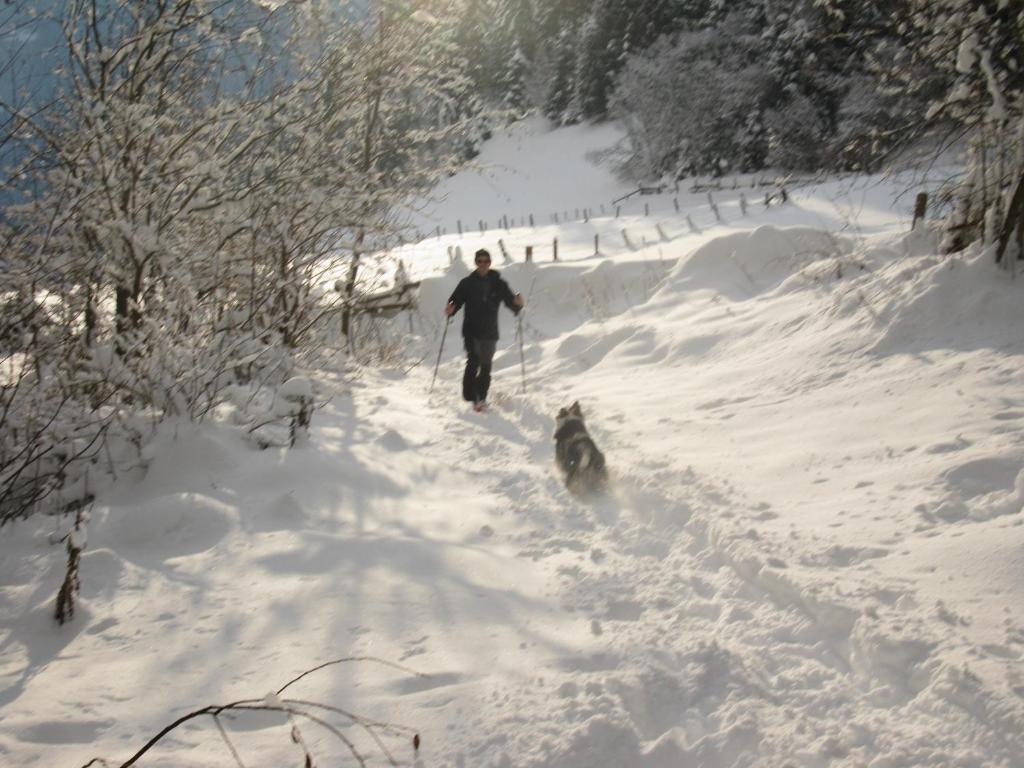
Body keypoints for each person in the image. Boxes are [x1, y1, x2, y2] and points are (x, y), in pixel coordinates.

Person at [445, 248, 525, 411]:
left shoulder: (498, 283)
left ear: (490, 263)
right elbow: (456, 300)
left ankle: (481, 397)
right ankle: (470, 398)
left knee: (486, 366)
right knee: (473, 362)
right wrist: (451, 308)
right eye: (480, 261)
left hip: (490, 331)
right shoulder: (466, 283)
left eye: (486, 261)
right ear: (475, 263)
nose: (483, 264)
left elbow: (510, 301)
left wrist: (517, 304)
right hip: (471, 330)